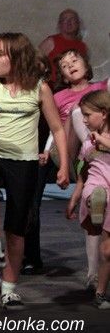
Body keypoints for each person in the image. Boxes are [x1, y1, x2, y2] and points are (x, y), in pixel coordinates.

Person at [0, 32, 69, 309]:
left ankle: (9, 289)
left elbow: (58, 129)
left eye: (0, 53)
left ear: (17, 57)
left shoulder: (39, 88)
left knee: (16, 231)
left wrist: (64, 165)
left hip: (24, 161)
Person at [24, 50, 109, 276]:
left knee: (94, 210)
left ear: (86, 65)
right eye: (64, 65)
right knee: (77, 110)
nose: (70, 65)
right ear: (61, 75)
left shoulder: (101, 87)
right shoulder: (60, 97)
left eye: (74, 60)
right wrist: (45, 151)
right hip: (68, 151)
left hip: (99, 156)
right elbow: (56, 128)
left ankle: (95, 274)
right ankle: (30, 257)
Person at [66, 90, 110, 309]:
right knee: (94, 192)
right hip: (95, 184)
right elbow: (83, 174)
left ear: (104, 113)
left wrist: (103, 141)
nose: (84, 120)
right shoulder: (88, 142)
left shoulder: (100, 138)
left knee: (107, 250)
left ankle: (100, 292)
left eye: (87, 115)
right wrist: (75, 196)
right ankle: (94, 203)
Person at [39, 9, 88, 87]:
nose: (69, 22)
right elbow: (36, 63)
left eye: (72, 19)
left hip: (75, 86)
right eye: (65, 20)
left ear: (78, 23)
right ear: (60, 24)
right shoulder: (51, 41)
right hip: (53, 86)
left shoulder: (82, 46)